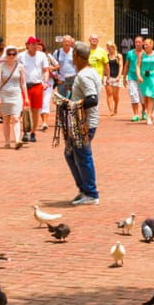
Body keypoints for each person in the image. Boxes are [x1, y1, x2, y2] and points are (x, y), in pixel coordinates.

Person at [60, 40, 101, 205]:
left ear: (76, 56)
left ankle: (91, 193)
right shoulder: (88, 72)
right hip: (79, 122)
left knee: (83, 156)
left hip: (84, 123)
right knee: (70, 154)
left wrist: (73, 104)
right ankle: (84, 189)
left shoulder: (84, 76)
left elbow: (92, 99)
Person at [0, 45, 28, 149]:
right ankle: (7, 141)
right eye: (9, 54)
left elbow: (23, 83)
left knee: (16, 117)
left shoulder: (20, 66)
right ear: (6, 54)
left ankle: (17, 140)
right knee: (6, 118)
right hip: (4, 94)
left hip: (16, 94)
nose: (11, 56)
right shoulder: (1, 66)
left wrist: (26, 97)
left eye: (13, 54)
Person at [17, 36, 49, 142]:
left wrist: (45, 82)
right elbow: (17, 70)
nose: (35, 46)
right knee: (25, 109)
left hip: (37, 85)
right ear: (28, 45)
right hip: (25, 86)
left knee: (35, 110)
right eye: (33, 44)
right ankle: (25, 131)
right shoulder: (21, 56)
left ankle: (33, 132)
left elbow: (46, 70)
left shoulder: (42, 56)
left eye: (36, 44)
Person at [136, 36, 154, 126]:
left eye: (146, 44)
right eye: (144, 44)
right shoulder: (141, 54)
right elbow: (138, 66)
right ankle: (149, 112)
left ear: (151, 45)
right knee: (145, 97)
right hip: (144, 77)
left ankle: (149, 116)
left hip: (153, 77)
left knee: (151, 96)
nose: (145, 46)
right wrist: (138, 75)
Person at [38, 42, 59, 132]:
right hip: (37, 81)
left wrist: (51, 69)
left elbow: (57, 65)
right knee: (39, 102)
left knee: (46, 101)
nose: (38, 48)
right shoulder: (31, 57)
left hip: (48, 81)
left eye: (40, 47)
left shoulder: (48, 56)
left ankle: (45, 122)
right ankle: (42, 120)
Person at [123, 34, 144, 121]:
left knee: (143, 96)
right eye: (136, 42)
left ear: (142, 43)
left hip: (142, 78)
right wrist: (124, 77)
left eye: (139, 42)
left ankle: (144, 112)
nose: (137, 44)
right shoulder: (130, 53)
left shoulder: (145, 53)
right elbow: (126, 65)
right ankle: (136, 114)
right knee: (133, 95)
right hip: (132, 77)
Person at [104, 42, 122, 115]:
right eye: (107, 47)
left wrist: (119, 76)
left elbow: (121, 66)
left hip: (116, 77)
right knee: (109, 94)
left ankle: (116, 108)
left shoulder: (119, 56)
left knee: (115, 95)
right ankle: (111, 110)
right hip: (108, 77)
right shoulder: (106, 56)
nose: (108, 49)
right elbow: (105, 66)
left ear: (113, 47)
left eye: (109, 47)